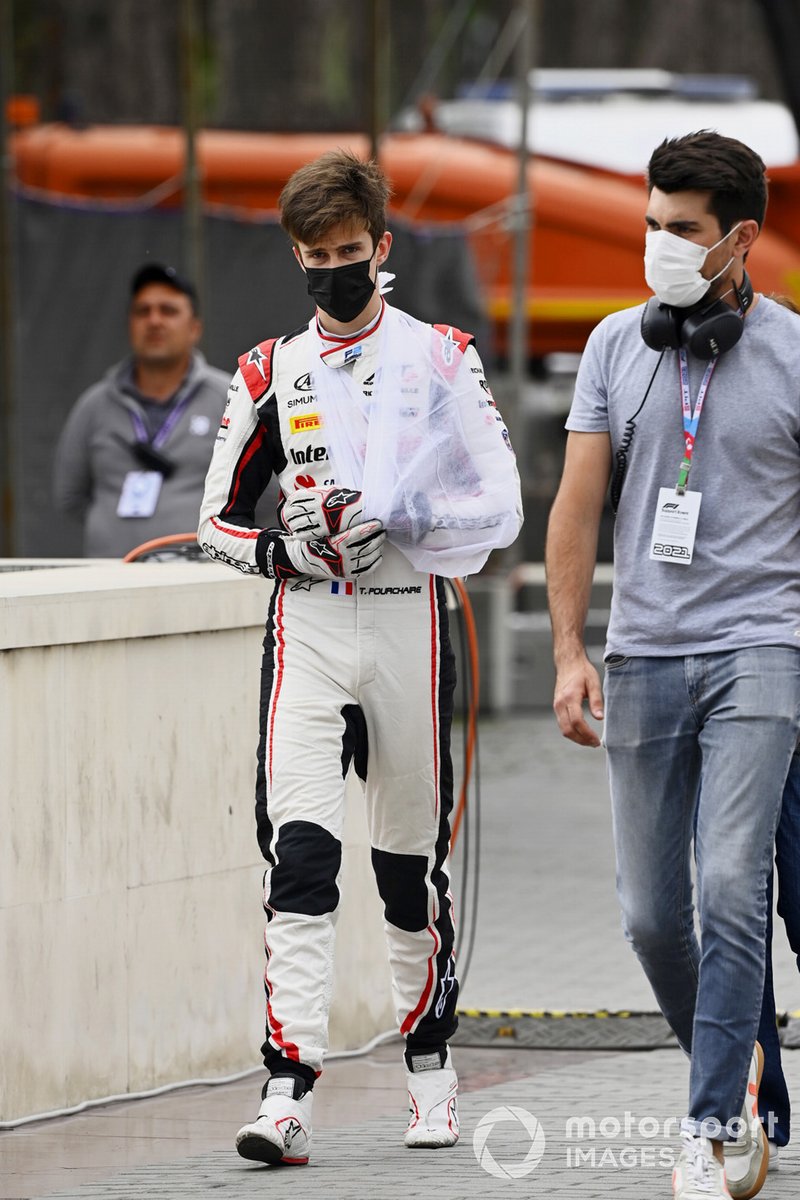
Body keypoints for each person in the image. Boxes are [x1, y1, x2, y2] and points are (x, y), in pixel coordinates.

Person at [197, 149, 522, 1167]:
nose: (334, 271)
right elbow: (211, 520)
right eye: (315, 257)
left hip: (407, 625)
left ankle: (428, 1067)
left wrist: (407, 515)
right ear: (295, 257)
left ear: (380, 248)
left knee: (403, 871)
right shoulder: (267, 369)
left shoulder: (441, 356)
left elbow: (499, 498)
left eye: (350, 252)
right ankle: (285, 1089)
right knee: (296, 858)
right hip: (307, 629)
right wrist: (282, 547)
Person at [545, 130, 800, 1200]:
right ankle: (740, 1058)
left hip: (761, 645)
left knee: (730, 879)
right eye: (649, 224)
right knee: (652, 914)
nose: (656, 244)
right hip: (642, 648)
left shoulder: (793, 353)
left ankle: (708, 1126)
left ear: (738, 239)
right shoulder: (614, 347)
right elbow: (573, 506)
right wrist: (565, 649)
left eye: (680, 231)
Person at [53, 263, 229, 557]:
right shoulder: (94, 404)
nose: (154, 321)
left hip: (198, 582)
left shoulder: (230, 397)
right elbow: (71, 496)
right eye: (142, 311)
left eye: (168, 311)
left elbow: (264, 496)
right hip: (109, 580)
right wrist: (111, 528)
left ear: (194, 328)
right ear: (130, 325)